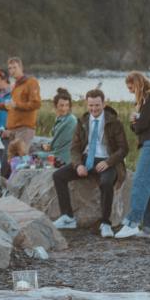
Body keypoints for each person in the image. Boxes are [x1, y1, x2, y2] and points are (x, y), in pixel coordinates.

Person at [54, 90, 128, 236]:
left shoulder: (114, 122)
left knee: (106, 183)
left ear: (104, 104)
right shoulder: (82, 122)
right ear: (87, 104)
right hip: (86, 159)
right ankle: (68, 217)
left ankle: (105, 223)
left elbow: (123, 148)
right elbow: (74, 148)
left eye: (97, 105)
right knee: (58, 176)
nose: (94, 109)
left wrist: (108, 162)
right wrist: (78, 164)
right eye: (91, 105)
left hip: (107, 161)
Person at [114, 72, 150, 241]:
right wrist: (137, 123)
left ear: (137, 84)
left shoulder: (148, 98)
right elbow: (144, 124)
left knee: (141, 181)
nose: (130, 91)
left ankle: (132, 223)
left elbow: (141, 126)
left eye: (130, 87)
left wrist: (133, 120)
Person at [2, 58, 41, 148]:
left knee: (20, 160)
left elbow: (36, 104)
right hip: (12, 130)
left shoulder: (31, 82)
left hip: (24, 129)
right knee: (12, 160)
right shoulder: (15, 85)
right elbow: (13, 108)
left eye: (15, 67)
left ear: (21, 68)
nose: (12, 70)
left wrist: (16, 105)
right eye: (10, 68)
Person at [49, 89, 76, 167]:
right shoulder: (60, 118)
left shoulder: (70, 120)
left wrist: (48, 146)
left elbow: (57, 143)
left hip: (65, 157)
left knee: (37, 155)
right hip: (58, 153)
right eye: (61, 105)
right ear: (56, 105)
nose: (64, 108)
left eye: (67, 105)